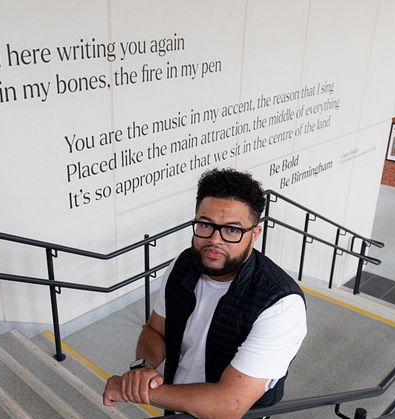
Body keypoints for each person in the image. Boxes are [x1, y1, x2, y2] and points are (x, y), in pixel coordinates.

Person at [103, 168, 307, 418]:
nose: (215, 240)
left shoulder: (280, 304)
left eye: (232, 230)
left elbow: (228, 405)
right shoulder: (183, 265)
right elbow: (155, 330)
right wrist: (143, 368)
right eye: (205, 225)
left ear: (254, 235)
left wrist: (131, 390)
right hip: (176, 405)